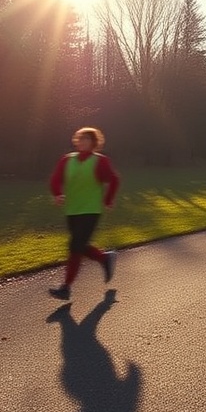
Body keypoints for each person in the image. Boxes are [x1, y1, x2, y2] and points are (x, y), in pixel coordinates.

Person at [48, 127, 121, 300]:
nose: (82, 142)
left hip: (91, 209)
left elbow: (114, 179)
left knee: (75, 246)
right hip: (72, 209)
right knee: (79, 245)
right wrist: (58, 193)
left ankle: (66, 287)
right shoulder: (67, 160)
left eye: (87, 139)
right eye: (80, 139)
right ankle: (104, 258)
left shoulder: (100, 161)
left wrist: (108, 199)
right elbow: (55, 179)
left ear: (94, 143)